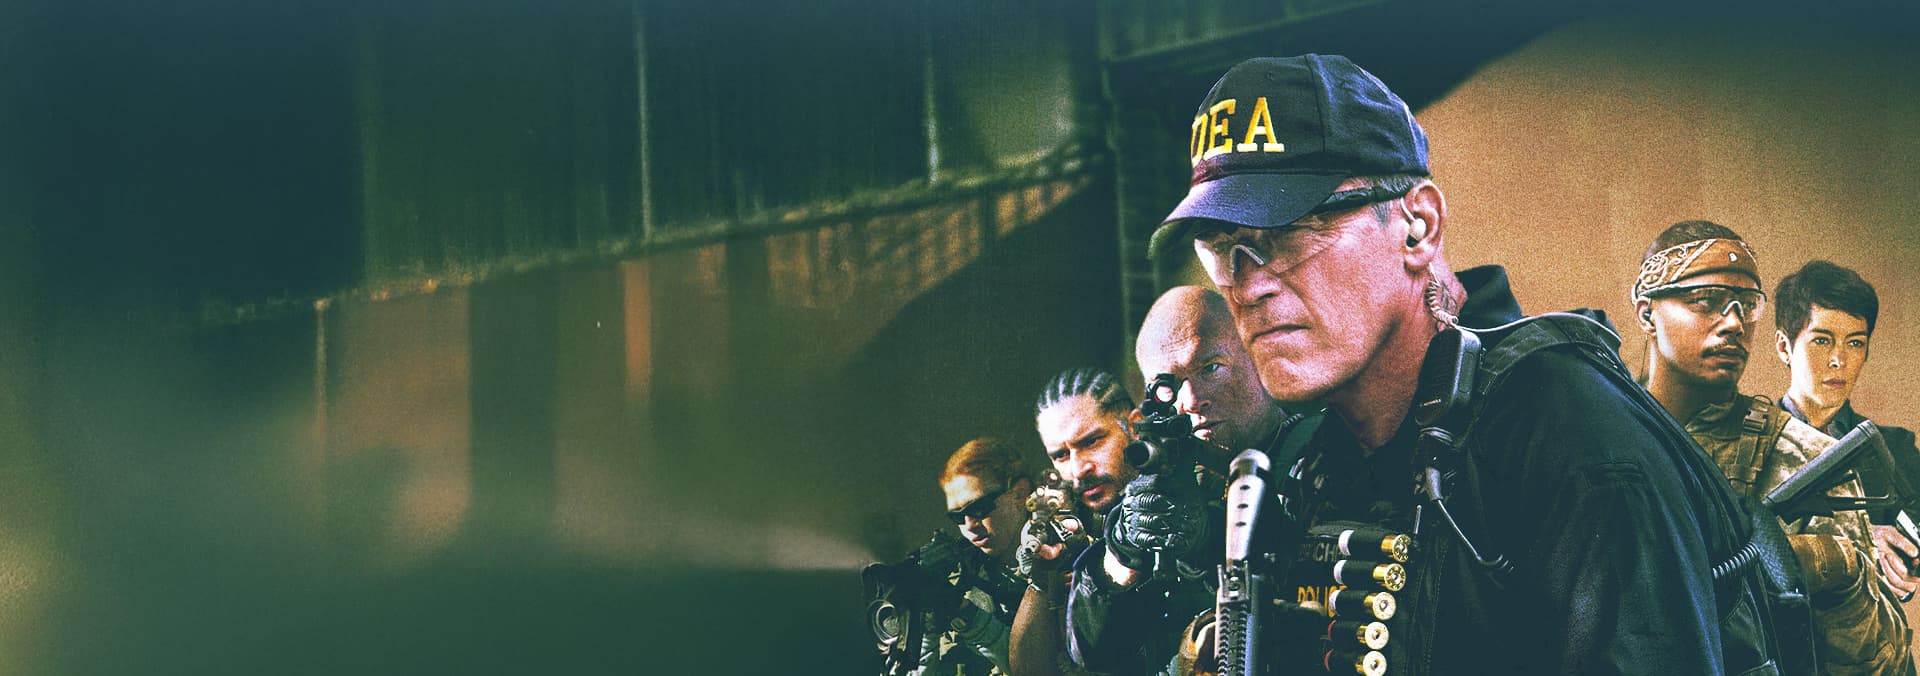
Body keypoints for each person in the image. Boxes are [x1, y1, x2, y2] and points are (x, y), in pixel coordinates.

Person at [1074, 53, 1800, 675]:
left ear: (1417, 226)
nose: (1249, 283)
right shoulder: (1326, 454)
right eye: (1221, 250)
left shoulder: (1567, 436)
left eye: (1290, 229)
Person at [1634, 221, 1912, 674]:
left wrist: (1842, 568)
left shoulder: (1807, 456)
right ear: (1647, 313)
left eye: (1746, 305)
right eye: (1706, 301)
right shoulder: (1594, 439)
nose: (1734, 323)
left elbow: (1881, 659)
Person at [1772, 260, 1920, 600]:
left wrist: (1902, 554)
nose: (1839, 360)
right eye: (1822, 340)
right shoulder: (1746, 444)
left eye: (1855, 343)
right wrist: (1860, 540)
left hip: (1869, 631)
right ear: (1784, 347)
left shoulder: (1896, 449)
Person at [1009, 368, 1136, 676]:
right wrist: (1042, 580)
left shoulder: (1184, 496)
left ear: (1134, 427)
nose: (1078, 470)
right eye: (1061, 455)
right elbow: (1029, 671)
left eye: (1091, 442)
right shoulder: (1073, 518)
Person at [897, 438, 1033, 676]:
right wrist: (926, 626)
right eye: (958, 517)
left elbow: (1047, 666)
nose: (969, 526)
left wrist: (968, 616)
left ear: (1020, 494)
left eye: (978, 508)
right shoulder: (965, 578)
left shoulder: (1064, 563)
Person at [1134, 285, 1298, 459]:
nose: (1191, 402)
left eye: (1210, 369)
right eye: (1168, 386)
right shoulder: (1166, 471)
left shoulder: (1315, 455)